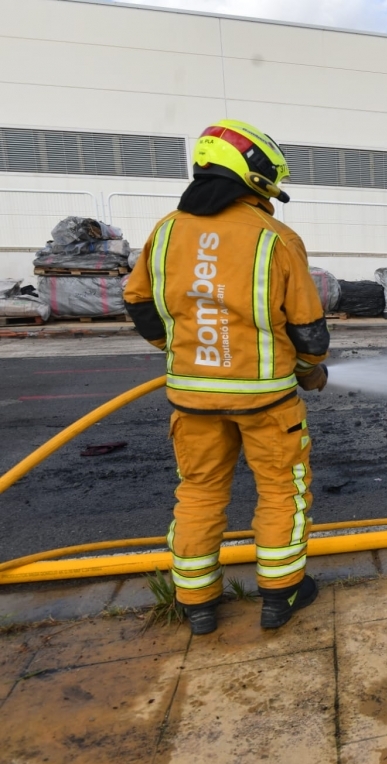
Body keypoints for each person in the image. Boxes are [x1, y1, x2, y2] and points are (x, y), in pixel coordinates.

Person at [124, 120, 330, 635]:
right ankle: (280, 595)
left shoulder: (166, 230)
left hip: (191, 398)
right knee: (283, 492)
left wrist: (180, 350)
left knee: (198, 492)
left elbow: (137, 300)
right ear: (256, 176)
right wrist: (310, 373)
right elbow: (309, 330)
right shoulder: (275, 238)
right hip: (268, 403)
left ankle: (196, 602)